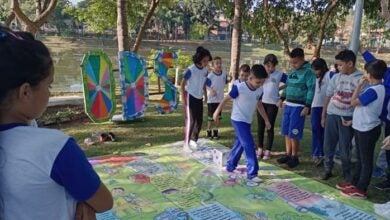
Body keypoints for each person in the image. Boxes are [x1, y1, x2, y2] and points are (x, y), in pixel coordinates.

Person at [0, 27, 113, 219]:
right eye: (48, 85)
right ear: (25, 92)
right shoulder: (54, 147)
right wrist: (83, 202)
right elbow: (104, 202)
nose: (50, 93)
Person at [213, 64, 271, 183]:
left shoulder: (260, 90)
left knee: (240, 144)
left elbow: (259, 105)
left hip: (247, 121)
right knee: (249, 144)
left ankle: (230, 165)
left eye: (262, 82)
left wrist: (266, 120)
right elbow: (226, 99)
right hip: (238, 120)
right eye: (258, 82)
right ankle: (252, 173)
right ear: (250, 78)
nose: (260, 84)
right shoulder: (239, 87)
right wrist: (217, 112)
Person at [339, 60, 386, 199]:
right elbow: (366, 109)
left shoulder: (374, 90)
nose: (364, 74)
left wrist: (359, 85)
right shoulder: (375, 88)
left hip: (368, 130)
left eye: (365, 72)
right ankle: (354, 183)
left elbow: (353, 102)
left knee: (365, 161)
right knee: (360, 158)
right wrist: (353, 121)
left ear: (369, 75)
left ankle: (361, 188)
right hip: (362, 126)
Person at [320, 49, 364, 181]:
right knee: (328, 145)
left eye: (340, 65)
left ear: (350, 63)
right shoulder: (336, 77)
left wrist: (354, 119)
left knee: (345, 148)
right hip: (332, 114)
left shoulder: (360, 79)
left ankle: (347, 173)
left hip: (347, 118)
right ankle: (327, 169)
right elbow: (328, 95)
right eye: (337, 65)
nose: (337, 67)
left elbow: (361, 102)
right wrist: (324, 115)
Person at [277, 48, 316, 168]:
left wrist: (307, 106)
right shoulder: (292, 71)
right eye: (292, 62)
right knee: (286, 131)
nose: (293, 65)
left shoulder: (309, 72)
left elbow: (311, 89)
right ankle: (288, 154)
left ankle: (295, 156)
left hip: (299, 107)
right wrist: (282, 98)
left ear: (302, 59)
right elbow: (288, 86)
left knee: (294, 132)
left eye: (296, 62)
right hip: (289, 105)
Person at [360, 46, 390, 187]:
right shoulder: (387, 73)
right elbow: (376, 65)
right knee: (388, 149)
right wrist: (364, 52)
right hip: (386, 118)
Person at [180, 46, 212, 152]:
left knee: (199, 120)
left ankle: (193, 140)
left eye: (207, 61)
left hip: (199, 97)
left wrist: (206, 95)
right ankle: (186, 143)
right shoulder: (191, 69)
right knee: (191, 120)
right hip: (190, 97)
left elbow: (203, 84)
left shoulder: (205, 71)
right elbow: (182, 83)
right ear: (199, 59)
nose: (206, 63)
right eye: (204, 61)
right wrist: (182, 97)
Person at [256, 54, 287, 160]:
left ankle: (268, 150)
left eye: (272, 66)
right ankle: (260, 148)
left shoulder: (279, 74)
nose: (269, 68)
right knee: (260, 126)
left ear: (275, 66)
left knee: (270, 126)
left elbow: (290, 82)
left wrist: (280, 91)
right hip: (261, 103)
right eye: (267, 66)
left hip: (273, 104)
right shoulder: (262, 74)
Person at [311, 58, 336, 166]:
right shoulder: (315, 78)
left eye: (316, 70)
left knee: (325, 132)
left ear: (321, 68)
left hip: (326, 107)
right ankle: (317, 153)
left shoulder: (330, 75)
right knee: (315, 130)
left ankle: (326, 155)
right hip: (315, 107)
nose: (315, 72)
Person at [206, 57, 228, 139]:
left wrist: (230, 79)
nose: (219, 65)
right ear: (212, 65)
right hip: (211, 100)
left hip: (220, 100)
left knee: (218, 117)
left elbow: (225, 81)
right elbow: (206, 85)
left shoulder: (224, 74)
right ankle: (208, 131)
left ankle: (215, 131)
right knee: (211, 118)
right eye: (217, 63)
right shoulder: (210, 75)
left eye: (220, 63)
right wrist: (211, 90)